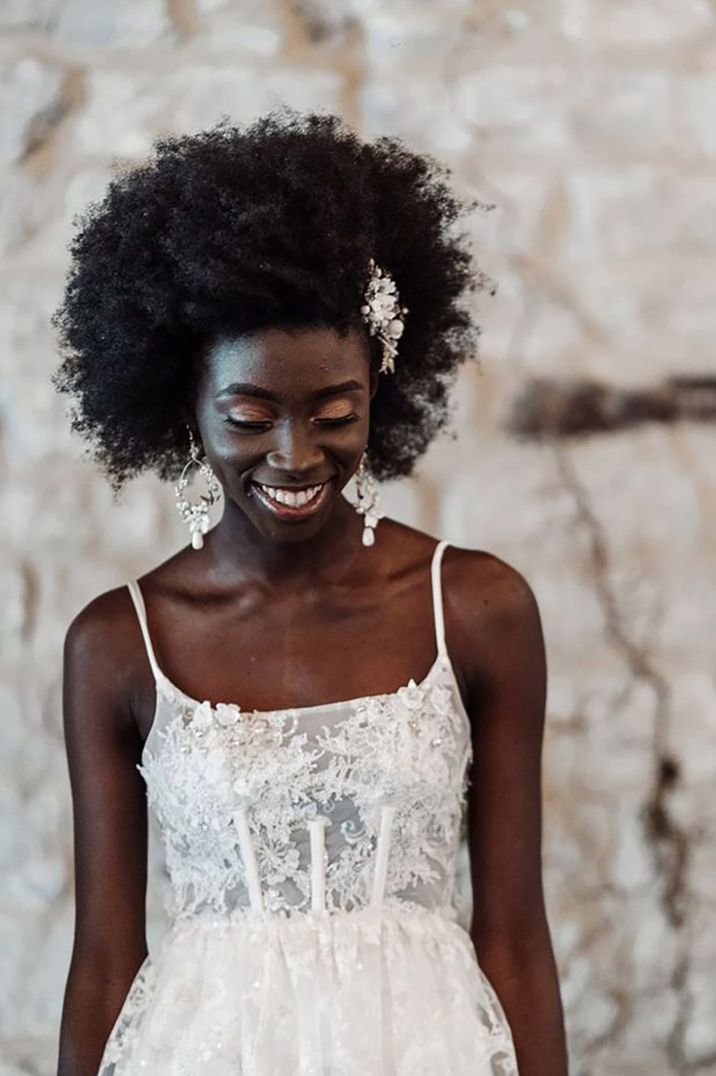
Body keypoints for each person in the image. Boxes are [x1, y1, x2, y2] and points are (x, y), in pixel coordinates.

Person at [53, 108, 568, 1075]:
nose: (296, 455)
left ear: (384, 391)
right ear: (184, 406)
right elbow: (105, 962)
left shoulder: (478, 609)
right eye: (250, 416)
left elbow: (516, 939)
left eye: (336, 412)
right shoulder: (119, 644)